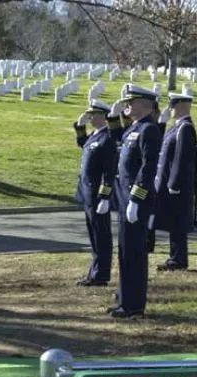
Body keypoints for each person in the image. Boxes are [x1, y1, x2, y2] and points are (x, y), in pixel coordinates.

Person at [110, 84, 162, 318]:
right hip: (124, 199)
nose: (127, 105)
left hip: (135, 200)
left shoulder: (149, 130)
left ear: (146, 105)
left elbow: (148, 167)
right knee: (124, 251)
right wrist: (113, 116)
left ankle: (133, 306)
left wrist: (136, 198)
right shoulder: (134, 128)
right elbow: (116, 141)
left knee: (134, 253)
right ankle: (124, 299)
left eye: (132, 102)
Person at [73, 99, 117, 287]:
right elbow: (84, 144)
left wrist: (105, 196)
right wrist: (79, 127)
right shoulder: (95, 136)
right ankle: (95, 271)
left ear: (103, 116)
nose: (90, 117)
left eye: (94, 115)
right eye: (90, 114)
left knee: (101, 236)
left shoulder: (107, 138)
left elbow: (109, 171)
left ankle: (101, 274)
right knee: (94, 235)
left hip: (97, 195)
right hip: (88, 193)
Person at [154, 93, 197, 271]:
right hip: (170, 184)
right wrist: (161, 124)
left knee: (178, 223)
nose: (169, 109)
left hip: (177, 185)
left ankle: (179, 260)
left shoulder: (185, 128)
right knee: (173, 222)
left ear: (180, 106)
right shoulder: (176, 127)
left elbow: (181, 158)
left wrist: (174, 184)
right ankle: (175, 257)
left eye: (172, 106)